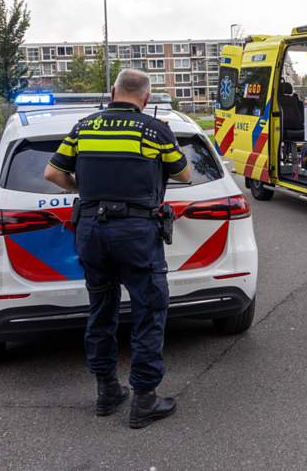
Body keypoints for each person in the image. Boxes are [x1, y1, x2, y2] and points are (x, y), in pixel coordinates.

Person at [43, 69, 192, 429]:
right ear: (146, 97)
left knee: (101, 308)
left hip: (92, 230)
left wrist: (88, 190)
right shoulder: (155, 130)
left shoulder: (84, 127)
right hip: (136, 233)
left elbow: (52, 173)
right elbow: (184, 175)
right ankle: (144, 399)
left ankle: (107, 391)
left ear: (113, 91)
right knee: (148, 310)